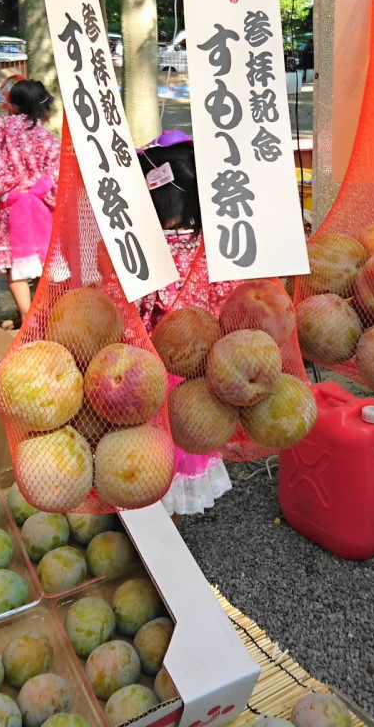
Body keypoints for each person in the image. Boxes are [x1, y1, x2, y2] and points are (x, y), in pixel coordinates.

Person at [136, 135, 233, 521]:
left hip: (154, 371)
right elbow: (226, 303)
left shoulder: (146, 253)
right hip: (198, 373)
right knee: (187, 438)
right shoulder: (210, 248)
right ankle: (170, 517)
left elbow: (138, 312)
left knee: (156, 447)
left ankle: (158, 516)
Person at [0, 77, 60, 321]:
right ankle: (44, 312)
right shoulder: (47, 139)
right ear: (43, 108)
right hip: (42, 207)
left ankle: (27, 317)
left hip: (10, 205)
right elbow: (56, 176)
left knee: (16, 263)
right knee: (43, 261)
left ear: (12, 106)